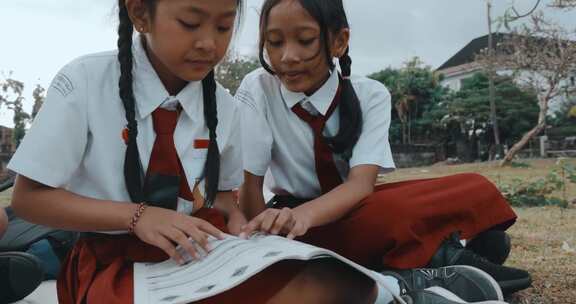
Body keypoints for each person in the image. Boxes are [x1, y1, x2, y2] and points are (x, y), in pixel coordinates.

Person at [7, 1, 395, 303]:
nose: (209, 43)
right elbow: (28, 200)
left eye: (224, 26)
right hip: (113, 259)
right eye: (190, 24)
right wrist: (137, 217)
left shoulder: (224, 107)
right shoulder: (85, 82)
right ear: (140, 12)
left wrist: (249, 235)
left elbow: (226, 204)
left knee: (347, 287)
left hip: (200, 250)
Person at [237, 0, 531, 297]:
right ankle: (441, 254)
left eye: (305, 40)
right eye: (274, 43)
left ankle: (438, 251)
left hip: (353, 208)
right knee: (391, 215)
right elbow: (250, 185)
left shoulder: (371, 94)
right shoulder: (258, 88)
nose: (287, 56)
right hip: (293, 221)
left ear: (339, 41)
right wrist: (272, 238)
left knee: (472, 186)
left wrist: (306, 216)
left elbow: (361, 186)